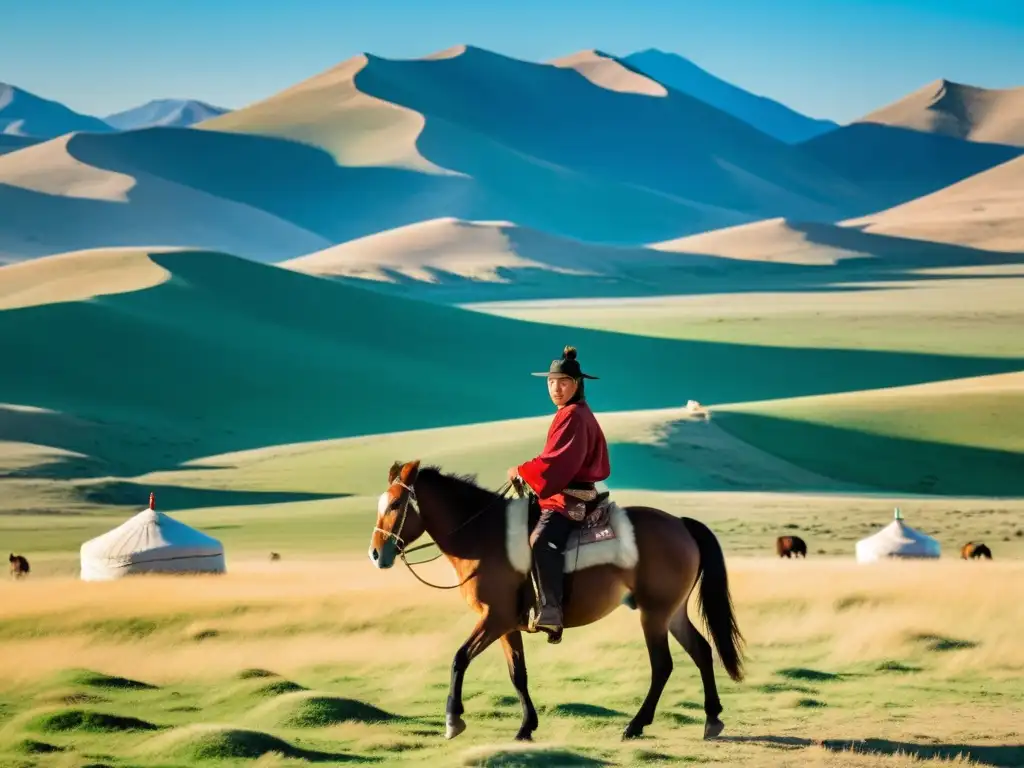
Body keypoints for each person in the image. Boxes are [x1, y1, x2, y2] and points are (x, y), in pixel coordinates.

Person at [506, 345, 611, 641]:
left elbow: (557, 462)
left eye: (563, 382)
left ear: (577, 385)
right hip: (560, 492)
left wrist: (522, 471)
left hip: (570, 498)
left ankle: (551, 611)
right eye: (551, 382)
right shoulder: (570, 413)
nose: (556, 388)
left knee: (540, 539)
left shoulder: (573, 415)